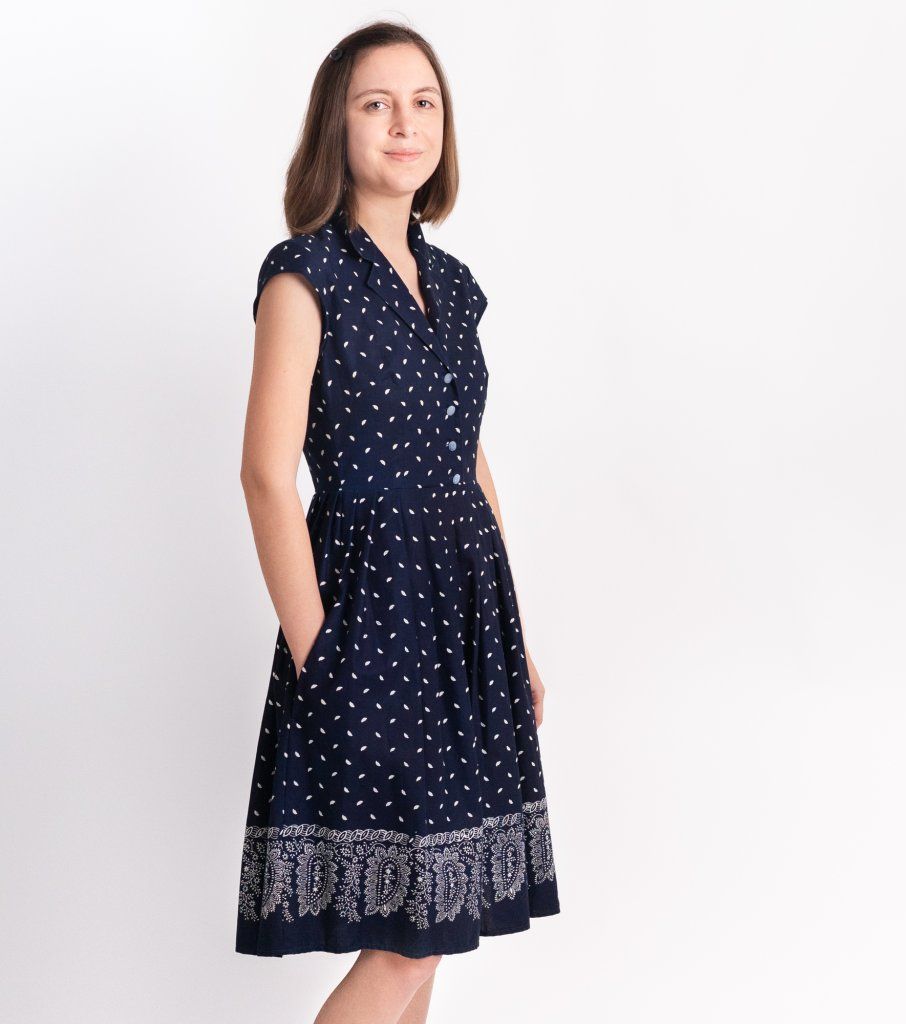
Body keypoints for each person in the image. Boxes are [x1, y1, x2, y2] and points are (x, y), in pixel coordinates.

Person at [234, 21, 561, 1023]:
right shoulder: (303, 274)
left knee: (434, 921)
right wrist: (318, 652)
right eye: (376, 103)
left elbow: (468, 458)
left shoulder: (454, 287)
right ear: (336, 126)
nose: (404, 123)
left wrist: (514, 640)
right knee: (410, 942)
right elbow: (264, 475)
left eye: (424, 102)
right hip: (370, 618)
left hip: (464, 620)